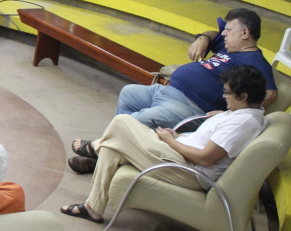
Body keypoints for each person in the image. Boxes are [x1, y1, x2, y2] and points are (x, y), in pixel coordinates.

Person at [62, 65, 267, 223]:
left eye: (228, 93)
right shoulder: (244, 114)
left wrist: (170, 141)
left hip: (188, 170)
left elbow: (205, 159)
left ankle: (93, 147)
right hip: (181, 156)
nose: (224, 97)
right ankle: (93, 208)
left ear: (244, 96)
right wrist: (177, 138)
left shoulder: (241, 123)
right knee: (112, 146)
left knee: (122, 122)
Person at [84, 8, 276, 139]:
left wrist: (229, 115)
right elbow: (212, 33)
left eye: (228, 30)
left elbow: (270, 93)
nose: (223, 34)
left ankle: (100, 150)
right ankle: (113, 150)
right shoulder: (228, 48)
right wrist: (202, 39)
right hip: (167, 91)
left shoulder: (256, 63)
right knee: (128, 93)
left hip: (190, 106)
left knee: (131, 122)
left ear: (245, 33)